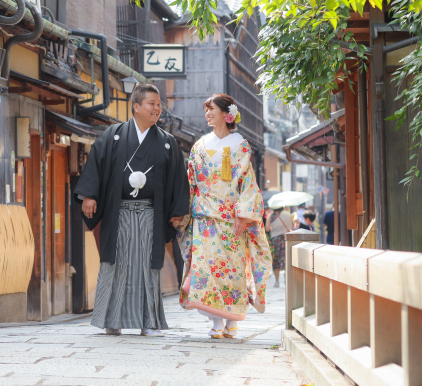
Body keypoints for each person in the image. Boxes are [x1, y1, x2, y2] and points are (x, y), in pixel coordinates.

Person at [74, 83, 190, 336]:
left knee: (148, 267)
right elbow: (95, 164)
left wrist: (177, 211)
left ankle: (148, 322)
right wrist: (89, 195)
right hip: (119, 212)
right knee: (116, 264)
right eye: (152, 104)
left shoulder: (167, 142)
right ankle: (111, 319)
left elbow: (178, 179)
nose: (157, 109)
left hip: (151, 213)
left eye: (159, 105)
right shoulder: (113, 135)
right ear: (136, 106)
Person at [176, 94, 272, 339]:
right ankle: (217, 322)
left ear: (227, 114)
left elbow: (247, 183)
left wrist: (243, 215)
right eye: (206, 110)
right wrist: (182, 211)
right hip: (204, 218)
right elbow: (191, 182)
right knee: (207, 270)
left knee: (231, 270)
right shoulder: (199, 145)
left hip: (232, 219)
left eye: (212, 109)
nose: (207, 114)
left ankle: (231, 321)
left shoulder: (240, 145)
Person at [265, 207, 292, 287]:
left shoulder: (271, 215)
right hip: (286, 239)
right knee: (286, 259)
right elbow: (292, 227)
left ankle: (277, 281)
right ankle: (287, 279)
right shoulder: (288, 214)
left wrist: (273, 228)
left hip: (275, 240)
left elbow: (267, 228)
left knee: (275, 260)